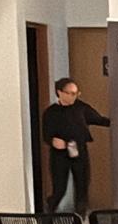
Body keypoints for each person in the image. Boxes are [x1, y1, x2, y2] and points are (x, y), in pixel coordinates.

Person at [42, 77, 110, 216]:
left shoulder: (81, 108)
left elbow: (99, 120)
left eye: (76, 93)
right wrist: (53, 141)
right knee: (59, 189)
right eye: (70, 93)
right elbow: (46, 134)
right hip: (59, 155)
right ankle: (48, 217)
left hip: (79, 151)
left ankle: (79, 220)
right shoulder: (50, 112)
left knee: (82, 187)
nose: (74, 96)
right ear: (60, 92)